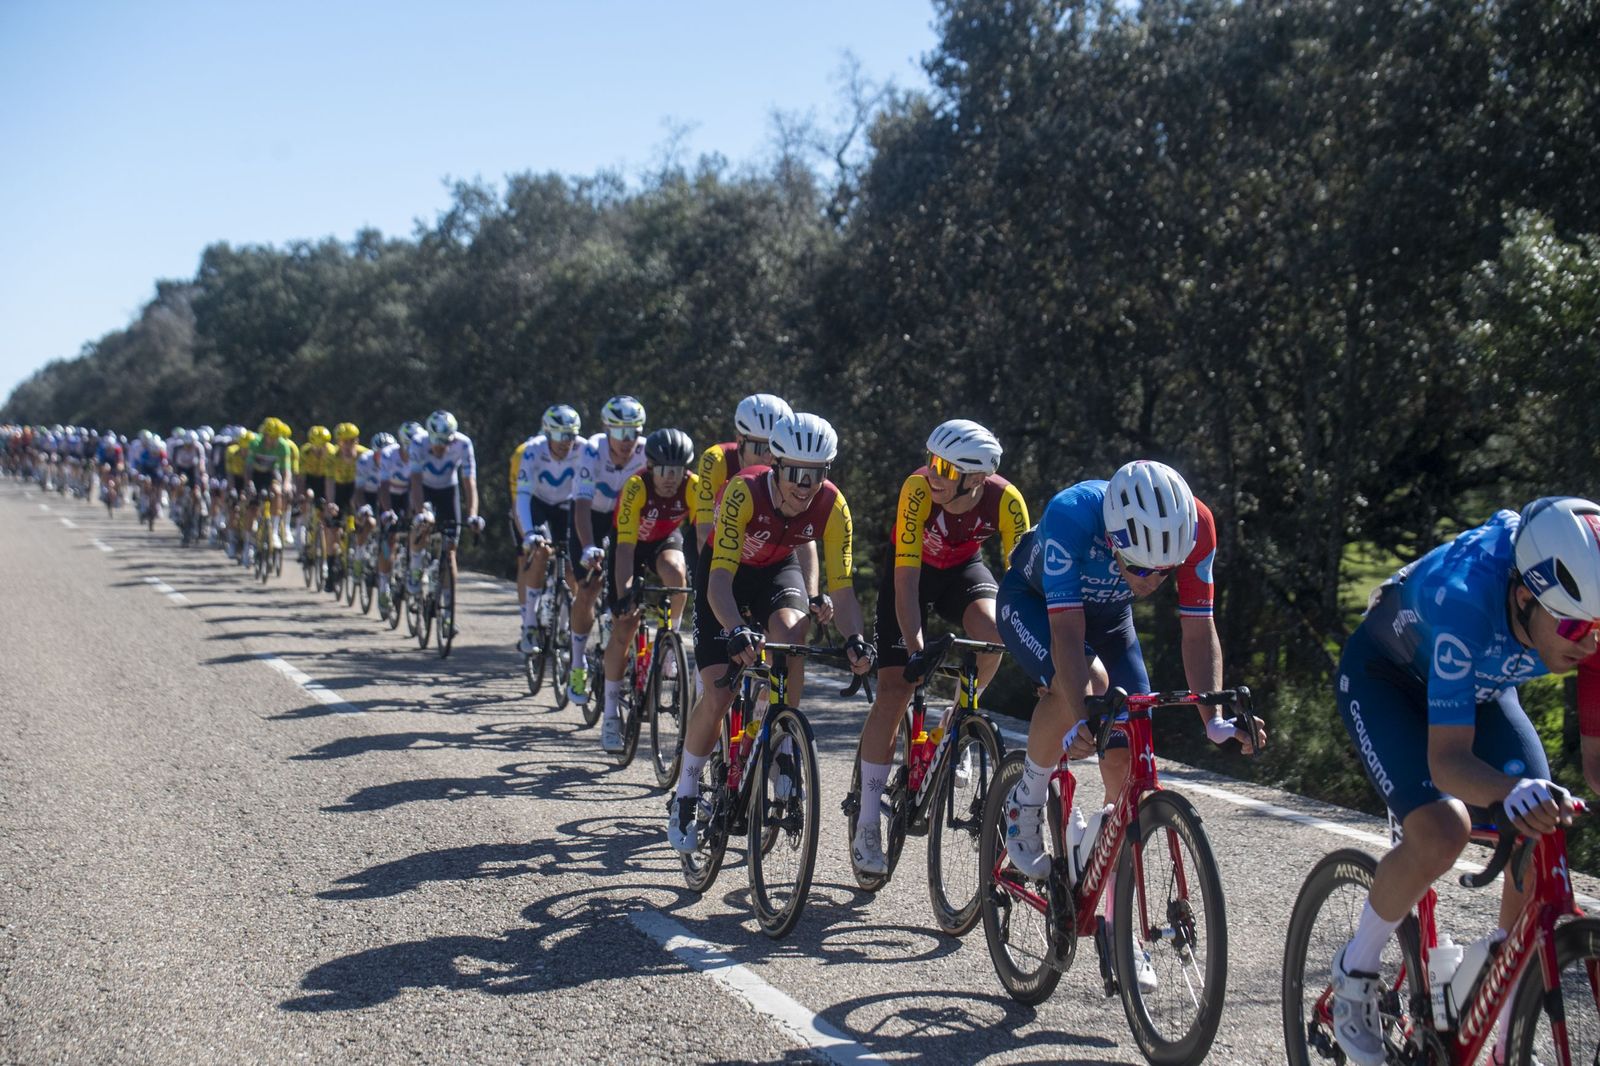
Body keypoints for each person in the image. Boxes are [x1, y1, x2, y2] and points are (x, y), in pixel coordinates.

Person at [1328, 497, 1599, 1066]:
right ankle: (1355, 975)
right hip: (1388, 680)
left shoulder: (1583, 610)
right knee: (1441, 830)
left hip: (1476, 686)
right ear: (1525, 598)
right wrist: (1505, 792)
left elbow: (1596, 766)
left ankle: (1504, 1020)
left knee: (1542, 824)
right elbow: (1448, 762)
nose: (1590, 644)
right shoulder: (1466, 598)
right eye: (1575, 628)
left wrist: (1520, 795)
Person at [996, 460, 1267, 990]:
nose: (1151, 582)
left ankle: (1121, 932)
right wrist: (1082, 715)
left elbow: (1197, 629)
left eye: (1163, 572)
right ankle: (1024, 799)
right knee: (1085, 685)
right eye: (1140, 568)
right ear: (1115, 539)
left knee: (1125, 770)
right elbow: (1068, 639)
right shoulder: (1073, 516)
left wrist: (1212, 715)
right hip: (1035, 606)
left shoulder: (1197, 528)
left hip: (1111, 622)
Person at [667, 413, 874, 852]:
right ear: (776, 466)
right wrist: (736, 628)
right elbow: (719, 580)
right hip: (727, 574)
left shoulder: (833, 507)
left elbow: (843, 589)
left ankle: (781, 743)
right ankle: (685, 791)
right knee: (720, 693)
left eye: (815, 474)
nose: (804, 485)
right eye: (796, 473)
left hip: (778, 571)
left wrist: (855, 637)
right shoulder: (745, 490)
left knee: (792, 641)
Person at [850, 419, 1030, 876]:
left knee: (994, 630)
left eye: (944, 468)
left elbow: (1023, 587)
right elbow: (906, 581)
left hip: (962, 571)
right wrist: (916, 651)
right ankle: (868, 819)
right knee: (895, 689)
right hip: (910, 574)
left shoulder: (1006, 503)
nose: (931, 473)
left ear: (975, 479)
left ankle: (957, 721)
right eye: (931, 460)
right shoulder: (917, 489)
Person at [599, 427, 697, 753]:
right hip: (629, 546)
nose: (671, 478)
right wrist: (625, 592)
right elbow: (625, 549)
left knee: (677, 572)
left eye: (678, 470)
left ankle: (671, 639)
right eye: (664, 470)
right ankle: (611, 714)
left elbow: (704, 537)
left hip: (663, 541)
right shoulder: (636, 487)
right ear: (651, 467)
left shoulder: (693, 488)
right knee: (624, 626)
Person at [568, 395, 647, 705]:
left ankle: (618, 656)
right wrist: (588, 546)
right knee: (588, 587)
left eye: (634, 432)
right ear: (607, 430)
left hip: (625, 521)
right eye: (620, 432)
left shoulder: (644, 452)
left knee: (625, 596)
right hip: (592, 516)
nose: (628, 440)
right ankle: (577, 663)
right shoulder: (591, 449)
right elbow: (582, 505)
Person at [510, 404, 584, 655]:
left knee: (575, 565)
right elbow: (521, 497)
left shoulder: (584, 450)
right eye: (561, 436)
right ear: (548, 434)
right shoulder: (532, 451)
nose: (567, 442)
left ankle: (563, 626)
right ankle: (529, 624)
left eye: (572, 435)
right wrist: (529, 534)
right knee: (540, 552)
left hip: (567, 506)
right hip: (537, 504)